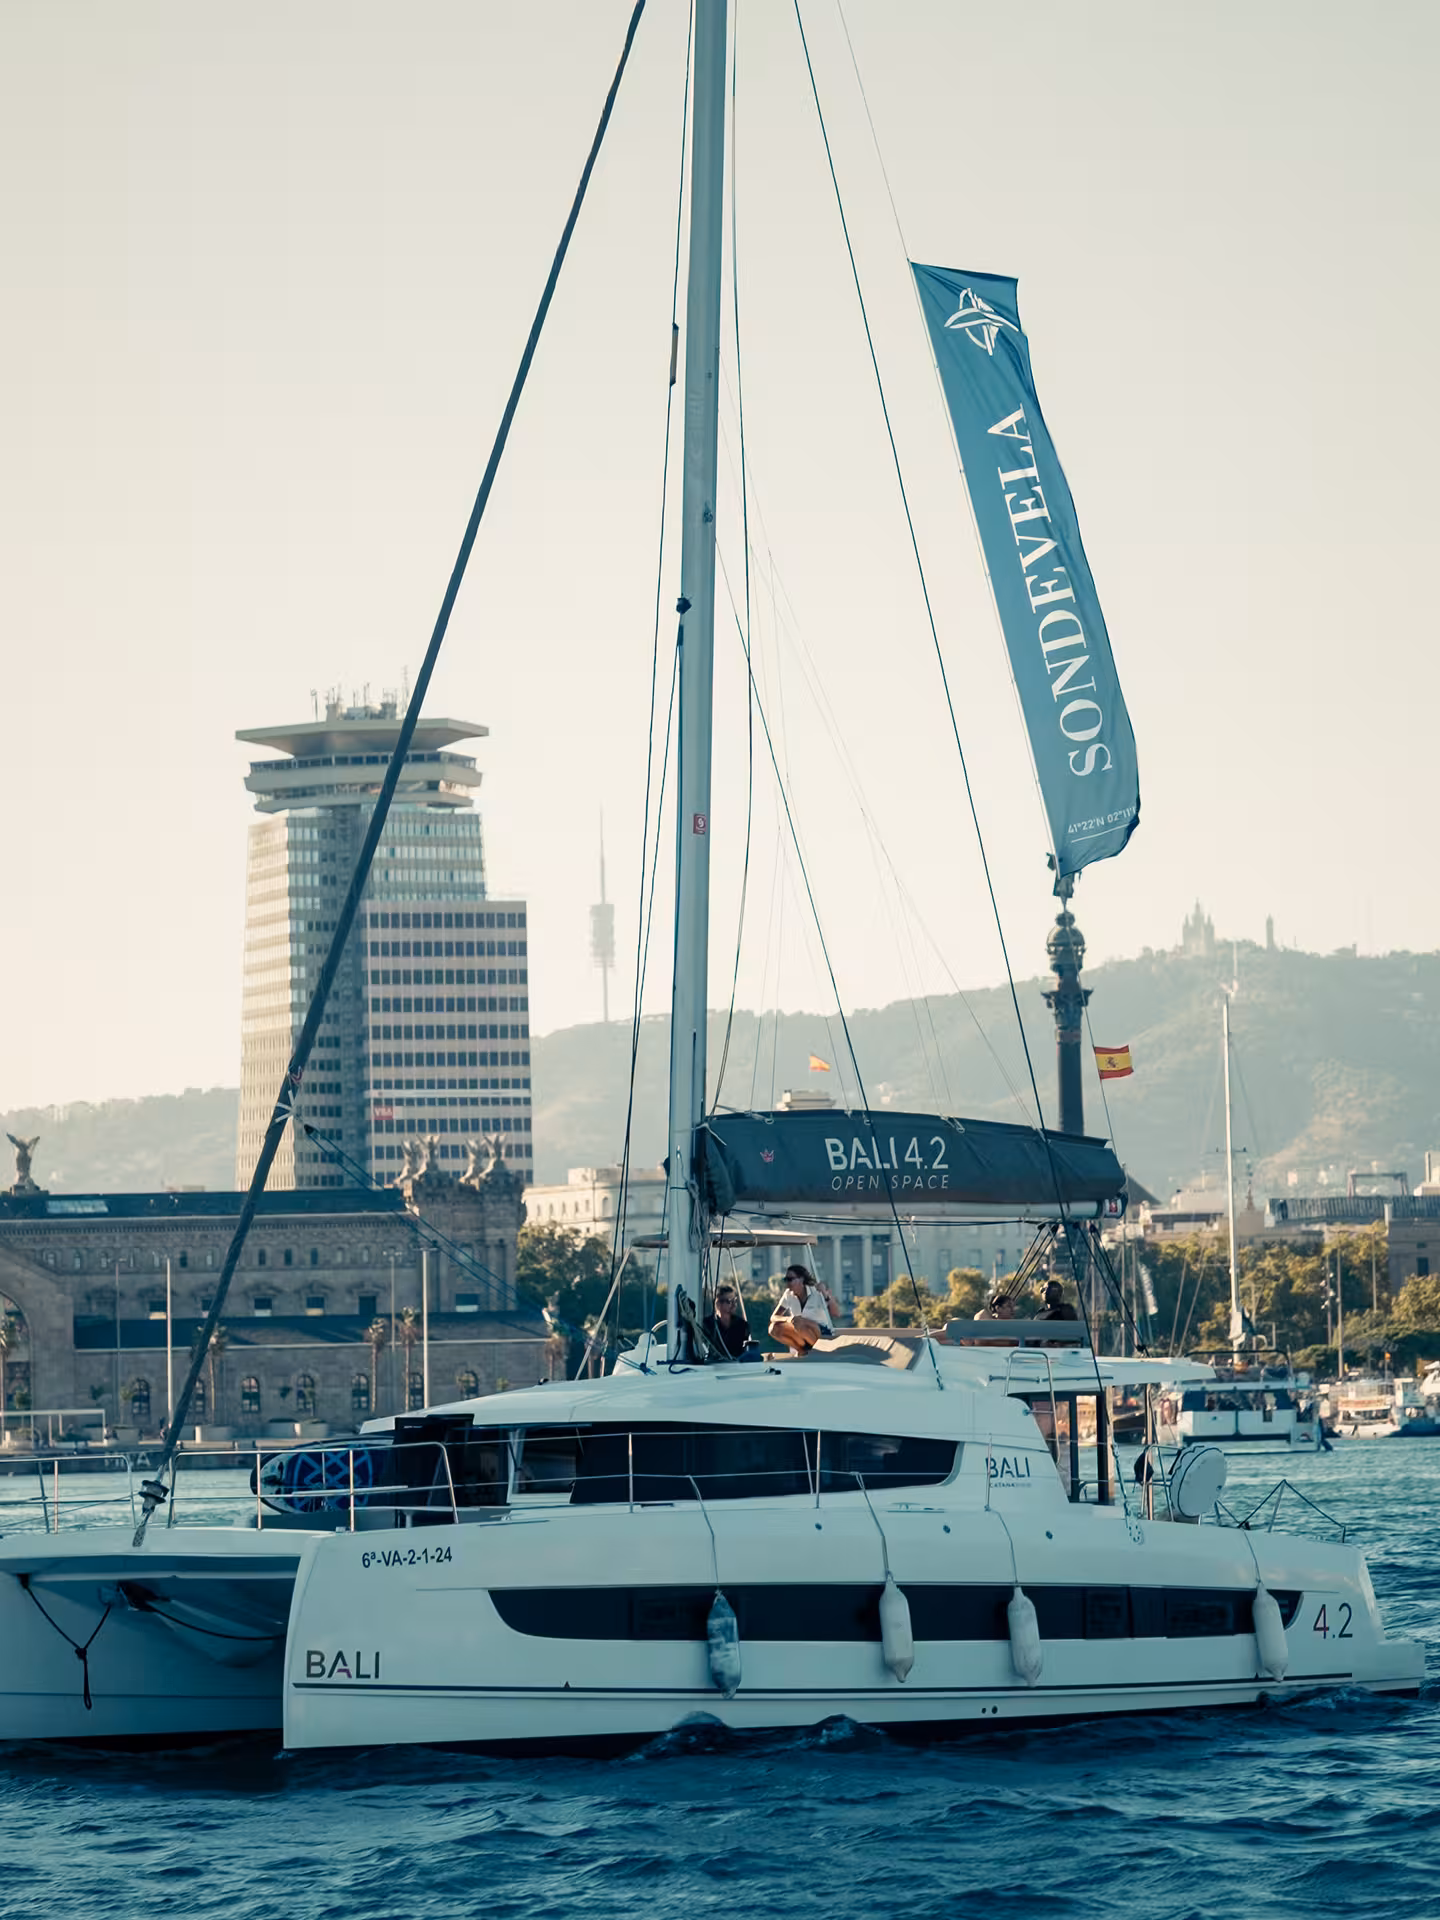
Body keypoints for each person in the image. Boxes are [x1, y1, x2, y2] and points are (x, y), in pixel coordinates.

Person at [769, 1265, 837, 1354]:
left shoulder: (816, 1292)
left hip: (821, 1332)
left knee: (799, 1322)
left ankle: (820, 1351)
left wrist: (825, 1294)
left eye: (790, 1279)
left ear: (801, 1279)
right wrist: (789, 1319)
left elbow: (836, 1313)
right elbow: (774, 1317)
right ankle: (801, 1351)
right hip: (800, 1330)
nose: (787, 1283)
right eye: (786, 1280)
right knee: (773, 1328)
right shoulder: (788, 1294)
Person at [702, 1284, 752, 1360]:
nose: (734, 1305)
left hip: (737, 1367)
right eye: (729, 1301)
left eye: (734, 1301)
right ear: (718, 1303)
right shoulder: (707, 1325)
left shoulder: (742, 1326)